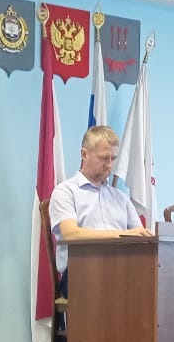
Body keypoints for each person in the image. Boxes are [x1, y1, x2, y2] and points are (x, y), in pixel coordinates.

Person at [49, 125, 155, 297]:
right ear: (84, 154)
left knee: (155, 283)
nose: (110, 165)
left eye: (113, 158)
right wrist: (122, 235)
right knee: (125, 289)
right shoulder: (65, 192)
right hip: (80, 272)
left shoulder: (121, 198)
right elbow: (71, 234)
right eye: (104, 158)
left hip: (121, 268)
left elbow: (141, 237)